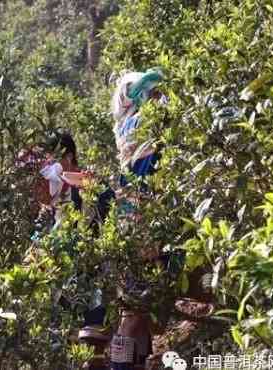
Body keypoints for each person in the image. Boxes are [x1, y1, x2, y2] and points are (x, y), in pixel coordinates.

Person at [108, 68, 166, 370]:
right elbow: (161, 106)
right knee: (133, 312)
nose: (153, 97)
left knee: (138, 313)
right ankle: (119, 366)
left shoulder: (128, 124)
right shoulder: (134, 125)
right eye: (147, 93)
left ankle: (134, 363)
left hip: (135, 223)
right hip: (138, 225)